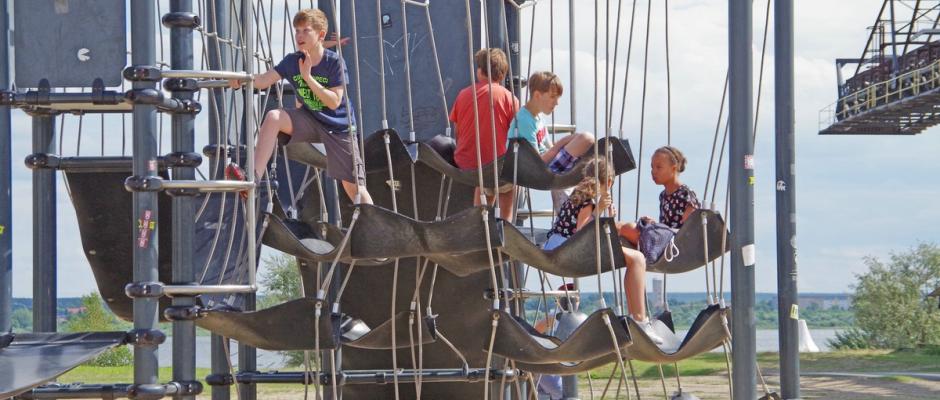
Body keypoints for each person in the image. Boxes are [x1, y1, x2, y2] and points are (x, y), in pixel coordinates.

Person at [226, 8, 372, 205]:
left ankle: (373, 229)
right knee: (273, 117)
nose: (299, 35)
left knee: (353, 187)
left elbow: (334, 101)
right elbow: (263, 80)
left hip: (338, 128)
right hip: (309, 119)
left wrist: (308, 78)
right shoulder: (292, 61)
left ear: (321, 35)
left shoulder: (334, 62)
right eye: (297, 31)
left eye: (306, 30)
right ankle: (252, 178)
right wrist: (243, 79)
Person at [544, 158, 664, 344]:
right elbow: (581, 233)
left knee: (632, 254)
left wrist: (606, 218)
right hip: (568, 249)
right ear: (608, 182)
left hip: (558, 245)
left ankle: (639, 320)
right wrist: (597, 211)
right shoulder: (589, 200)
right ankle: (640, 321)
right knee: (638, 259)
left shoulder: (580, 193)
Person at [449, 48, 519, 220]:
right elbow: (517, 135)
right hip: (495, 166)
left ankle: (480, 221)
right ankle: (505, 222)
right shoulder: (509, 98)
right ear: (502, 75)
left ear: (480, 71)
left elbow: (458, 131)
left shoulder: (463, 94)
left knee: (483, 176)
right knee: (509, 180)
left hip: (467, 164)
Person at [507, 71, 594, 174]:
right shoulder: (524, 121)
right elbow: (536, 162)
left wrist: (567, 142)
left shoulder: (538, 116)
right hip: (538, 171)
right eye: (553, 97)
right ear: (537, 95)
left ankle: (567, 187)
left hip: (547, 164)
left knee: (588, 146)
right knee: (587, 138)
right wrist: (563, 141)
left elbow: (549, 148)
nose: (557, 103)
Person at [619, 146, 700, 245]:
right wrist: (654, 224)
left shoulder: (686, 194)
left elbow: (690, 231)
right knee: (620, 226)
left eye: (659, 167)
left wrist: (659, 228)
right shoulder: (663, 195)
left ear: (673, 168)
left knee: (628, 228)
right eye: (652, 167)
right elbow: (666, 225)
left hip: (676, 246)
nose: (653, 171)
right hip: (664, 239)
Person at [532, 283, 579, 400]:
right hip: (548, 362)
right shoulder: (555, 316)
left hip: (557, 363)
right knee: (561, 392)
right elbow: (536, 330)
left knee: (545, 395)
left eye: (577, 299)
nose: (576, 302)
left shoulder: (575, 317)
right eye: (575, 299)